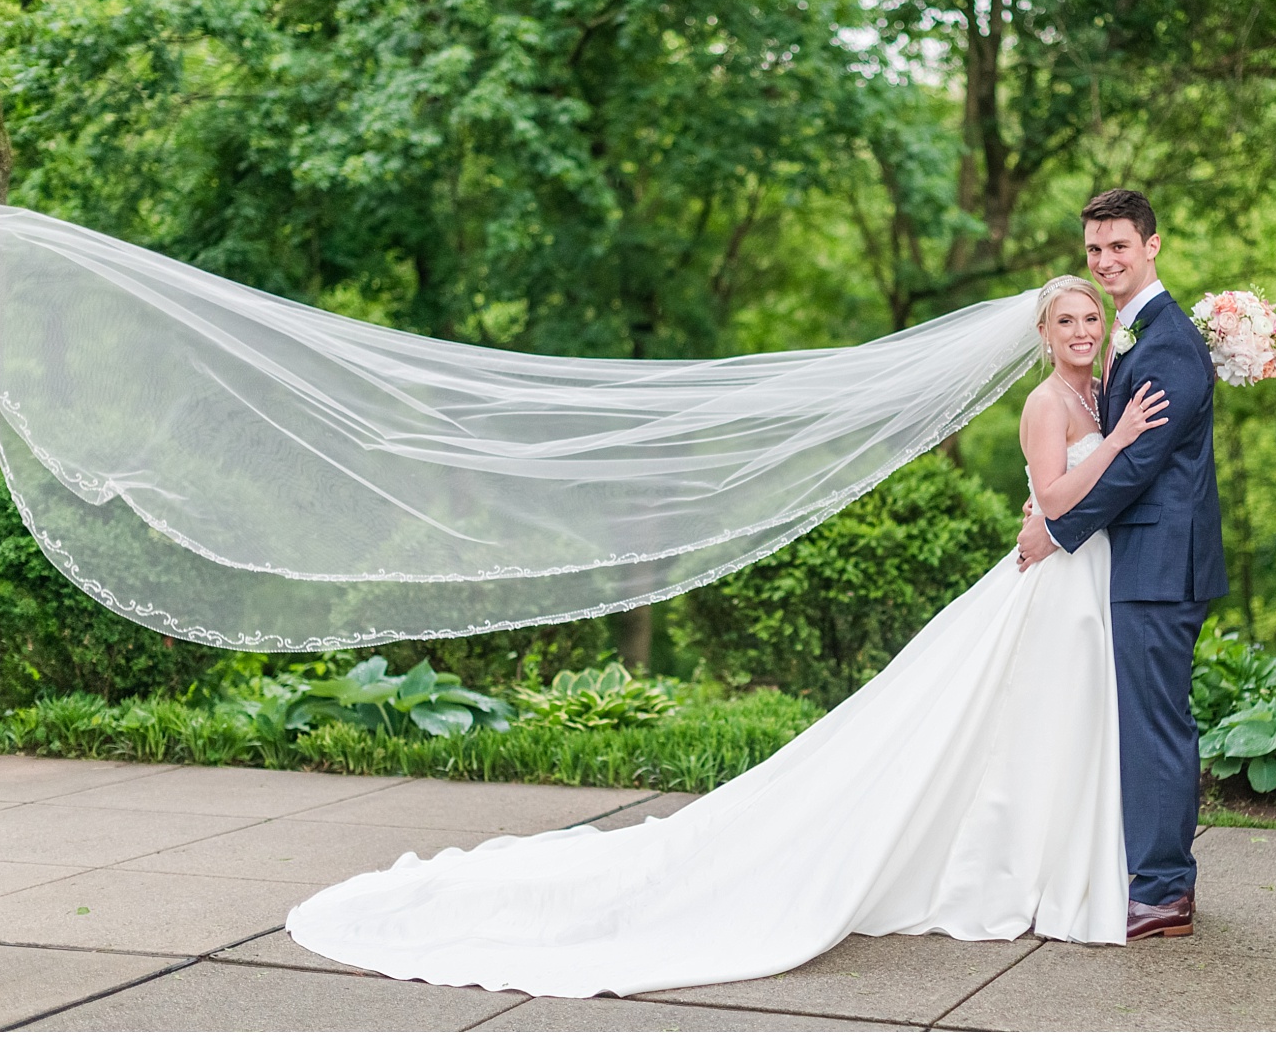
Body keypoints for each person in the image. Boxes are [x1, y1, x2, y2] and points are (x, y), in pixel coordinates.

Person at [285, 274, 1171, 998]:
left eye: (1091, 316)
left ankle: (1055, 868)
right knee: (1020, 723)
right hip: (1053, 573)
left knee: (1045, 729)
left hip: (1079, 579)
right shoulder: (1046, 403)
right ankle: (1022, 875)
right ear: (1042, 331)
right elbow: (1054, 498)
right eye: (1067, 319)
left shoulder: (1096, 387)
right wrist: (1122, 439)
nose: (1083, 328)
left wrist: (1114, 428)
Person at [1015, 188, 1228, 942]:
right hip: (1139, 562)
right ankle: (1151, 875)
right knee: (1141, 723)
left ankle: (1165, 891)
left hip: (1159, 566)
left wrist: (1057, 529)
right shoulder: (1134, 335)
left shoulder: (1167, 343)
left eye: (1119, 247)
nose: (1104, 261)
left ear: (1152, 246)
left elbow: (1137, 464)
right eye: (1094, 249)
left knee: (1156, 727)